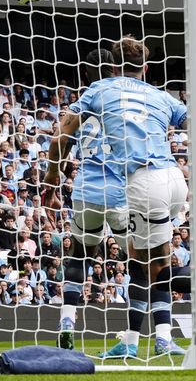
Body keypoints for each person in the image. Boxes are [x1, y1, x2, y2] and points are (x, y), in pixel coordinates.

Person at [54, 36, 196, 358]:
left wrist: (51, 175)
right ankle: (136, 340)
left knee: (150, 269)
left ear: (112, 66)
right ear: (146, 66)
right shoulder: (160, 95)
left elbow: (62, 133)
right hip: (172, 180)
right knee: (152, 263)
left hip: (138, 184)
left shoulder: (99, 91)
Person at [43, 49, 131, 350]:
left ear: (85, 74)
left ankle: (67, 318)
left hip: (86, 191)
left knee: (80, 254)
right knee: (144, 261)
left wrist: (53, 179)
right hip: (121, 192)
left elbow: (59, 140)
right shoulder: (126, 99)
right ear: (116, 68)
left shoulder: (85, 102)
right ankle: (144, 335)